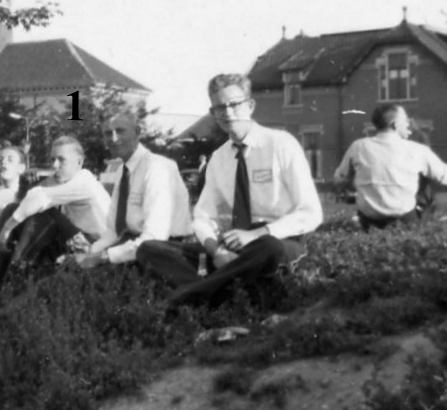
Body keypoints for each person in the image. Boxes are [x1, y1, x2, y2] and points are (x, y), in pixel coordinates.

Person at [137, 73, 323, 309]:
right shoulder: (219, 158)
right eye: (219, 107)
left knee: (269, 247)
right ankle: (227, 289)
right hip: (234, 248)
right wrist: (216, 252)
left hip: (277, 241)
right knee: (149, 249)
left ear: (250, 106)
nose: (227, 112)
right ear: (213, 113)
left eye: (234, 104)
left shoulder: (281, 144)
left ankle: (193, 296)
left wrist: (257, 234)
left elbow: (311, 213)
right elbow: (203, 216)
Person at [0, 136, 111, 290]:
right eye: (53, 159)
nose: (55, 165)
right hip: (74, 242)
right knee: (12, 209)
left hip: (96, 248)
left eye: (61, 160)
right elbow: (25, 203)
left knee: (44, 214)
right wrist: (26, 185)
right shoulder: (64, 182)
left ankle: (11, 277)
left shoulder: (84, 181)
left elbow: (39, 199)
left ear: (79, 162)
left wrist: (7, 229)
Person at [70, 111, 193, 270]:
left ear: (137, 132)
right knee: (71, 269)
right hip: (133, 246)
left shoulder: (157, 168)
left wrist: (103, 257)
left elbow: (154, 237)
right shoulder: (122, 171)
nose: (114, 139)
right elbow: (114, 231)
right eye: (108, 133)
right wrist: (89, 254)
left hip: (164, 252)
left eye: (120, 131)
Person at [334, 104, 447, 231]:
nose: (408, 124)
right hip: (405, 218)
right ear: (395, 125)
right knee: (421, 174)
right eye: (405, 120)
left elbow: (339, 179)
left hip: (369, 220)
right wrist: (427, 155)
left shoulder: (358, 146)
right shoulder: (417, 149)